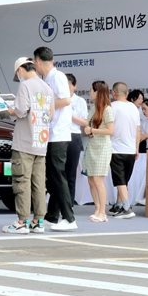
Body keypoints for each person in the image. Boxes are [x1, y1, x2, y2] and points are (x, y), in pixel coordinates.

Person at [3, 57, 53, 234]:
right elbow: (51, 115)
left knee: (21, 180)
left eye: (18, 74)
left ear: (20, 70)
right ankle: (38, 221)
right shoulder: (46, 87)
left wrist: (10, 109)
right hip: (40, 142)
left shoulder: (25, 86)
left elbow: (21, 110)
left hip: (24, 142)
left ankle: (22, 221)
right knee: (39, 183)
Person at [33, 47, 76, 231]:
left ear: (38, 62)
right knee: (52, 176)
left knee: (57, 175)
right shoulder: (48, 78)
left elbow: (66, 100)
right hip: (51, 133)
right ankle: (52, 216)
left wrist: (45, 106)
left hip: (58, 134)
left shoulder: (57, 76)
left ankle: (69, 218)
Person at [84, 80, 114, 223]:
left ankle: (103, 212)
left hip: (102, 147)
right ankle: (97, 208)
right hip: (92, 145)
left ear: (98, 92)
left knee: (98, 180)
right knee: (91, 180)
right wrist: (90, 132)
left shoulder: (107, 109)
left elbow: (110, 130)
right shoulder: (93, 108)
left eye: (91, 90)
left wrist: (92, 130)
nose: (90, 92)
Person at [108, 82, 139, 219]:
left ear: (113, 93)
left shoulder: (111, 107)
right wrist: (137, 148)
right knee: (124, 180)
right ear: (127, 94)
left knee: (120, 180)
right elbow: (138, 129)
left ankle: (126, 207)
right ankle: (119, 204)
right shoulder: (133, 108)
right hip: (131, 149)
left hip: (116, 148)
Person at [128, 98, 148, 206]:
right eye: (142, 109)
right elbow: (141, 135)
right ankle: (147, 196)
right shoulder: (145, 122)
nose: (143, 112)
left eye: (145, 109)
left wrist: (145, 136)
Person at [65, 73, 88, 206]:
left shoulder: (80, 101)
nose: (66, 89)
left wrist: (70, 115)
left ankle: (69, 205)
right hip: (58, 137)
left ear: (74, 86)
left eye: (69, 86)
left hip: (73, 136)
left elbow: (84, 122)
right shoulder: (57, 99)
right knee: (57, 172)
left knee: (71, 173)